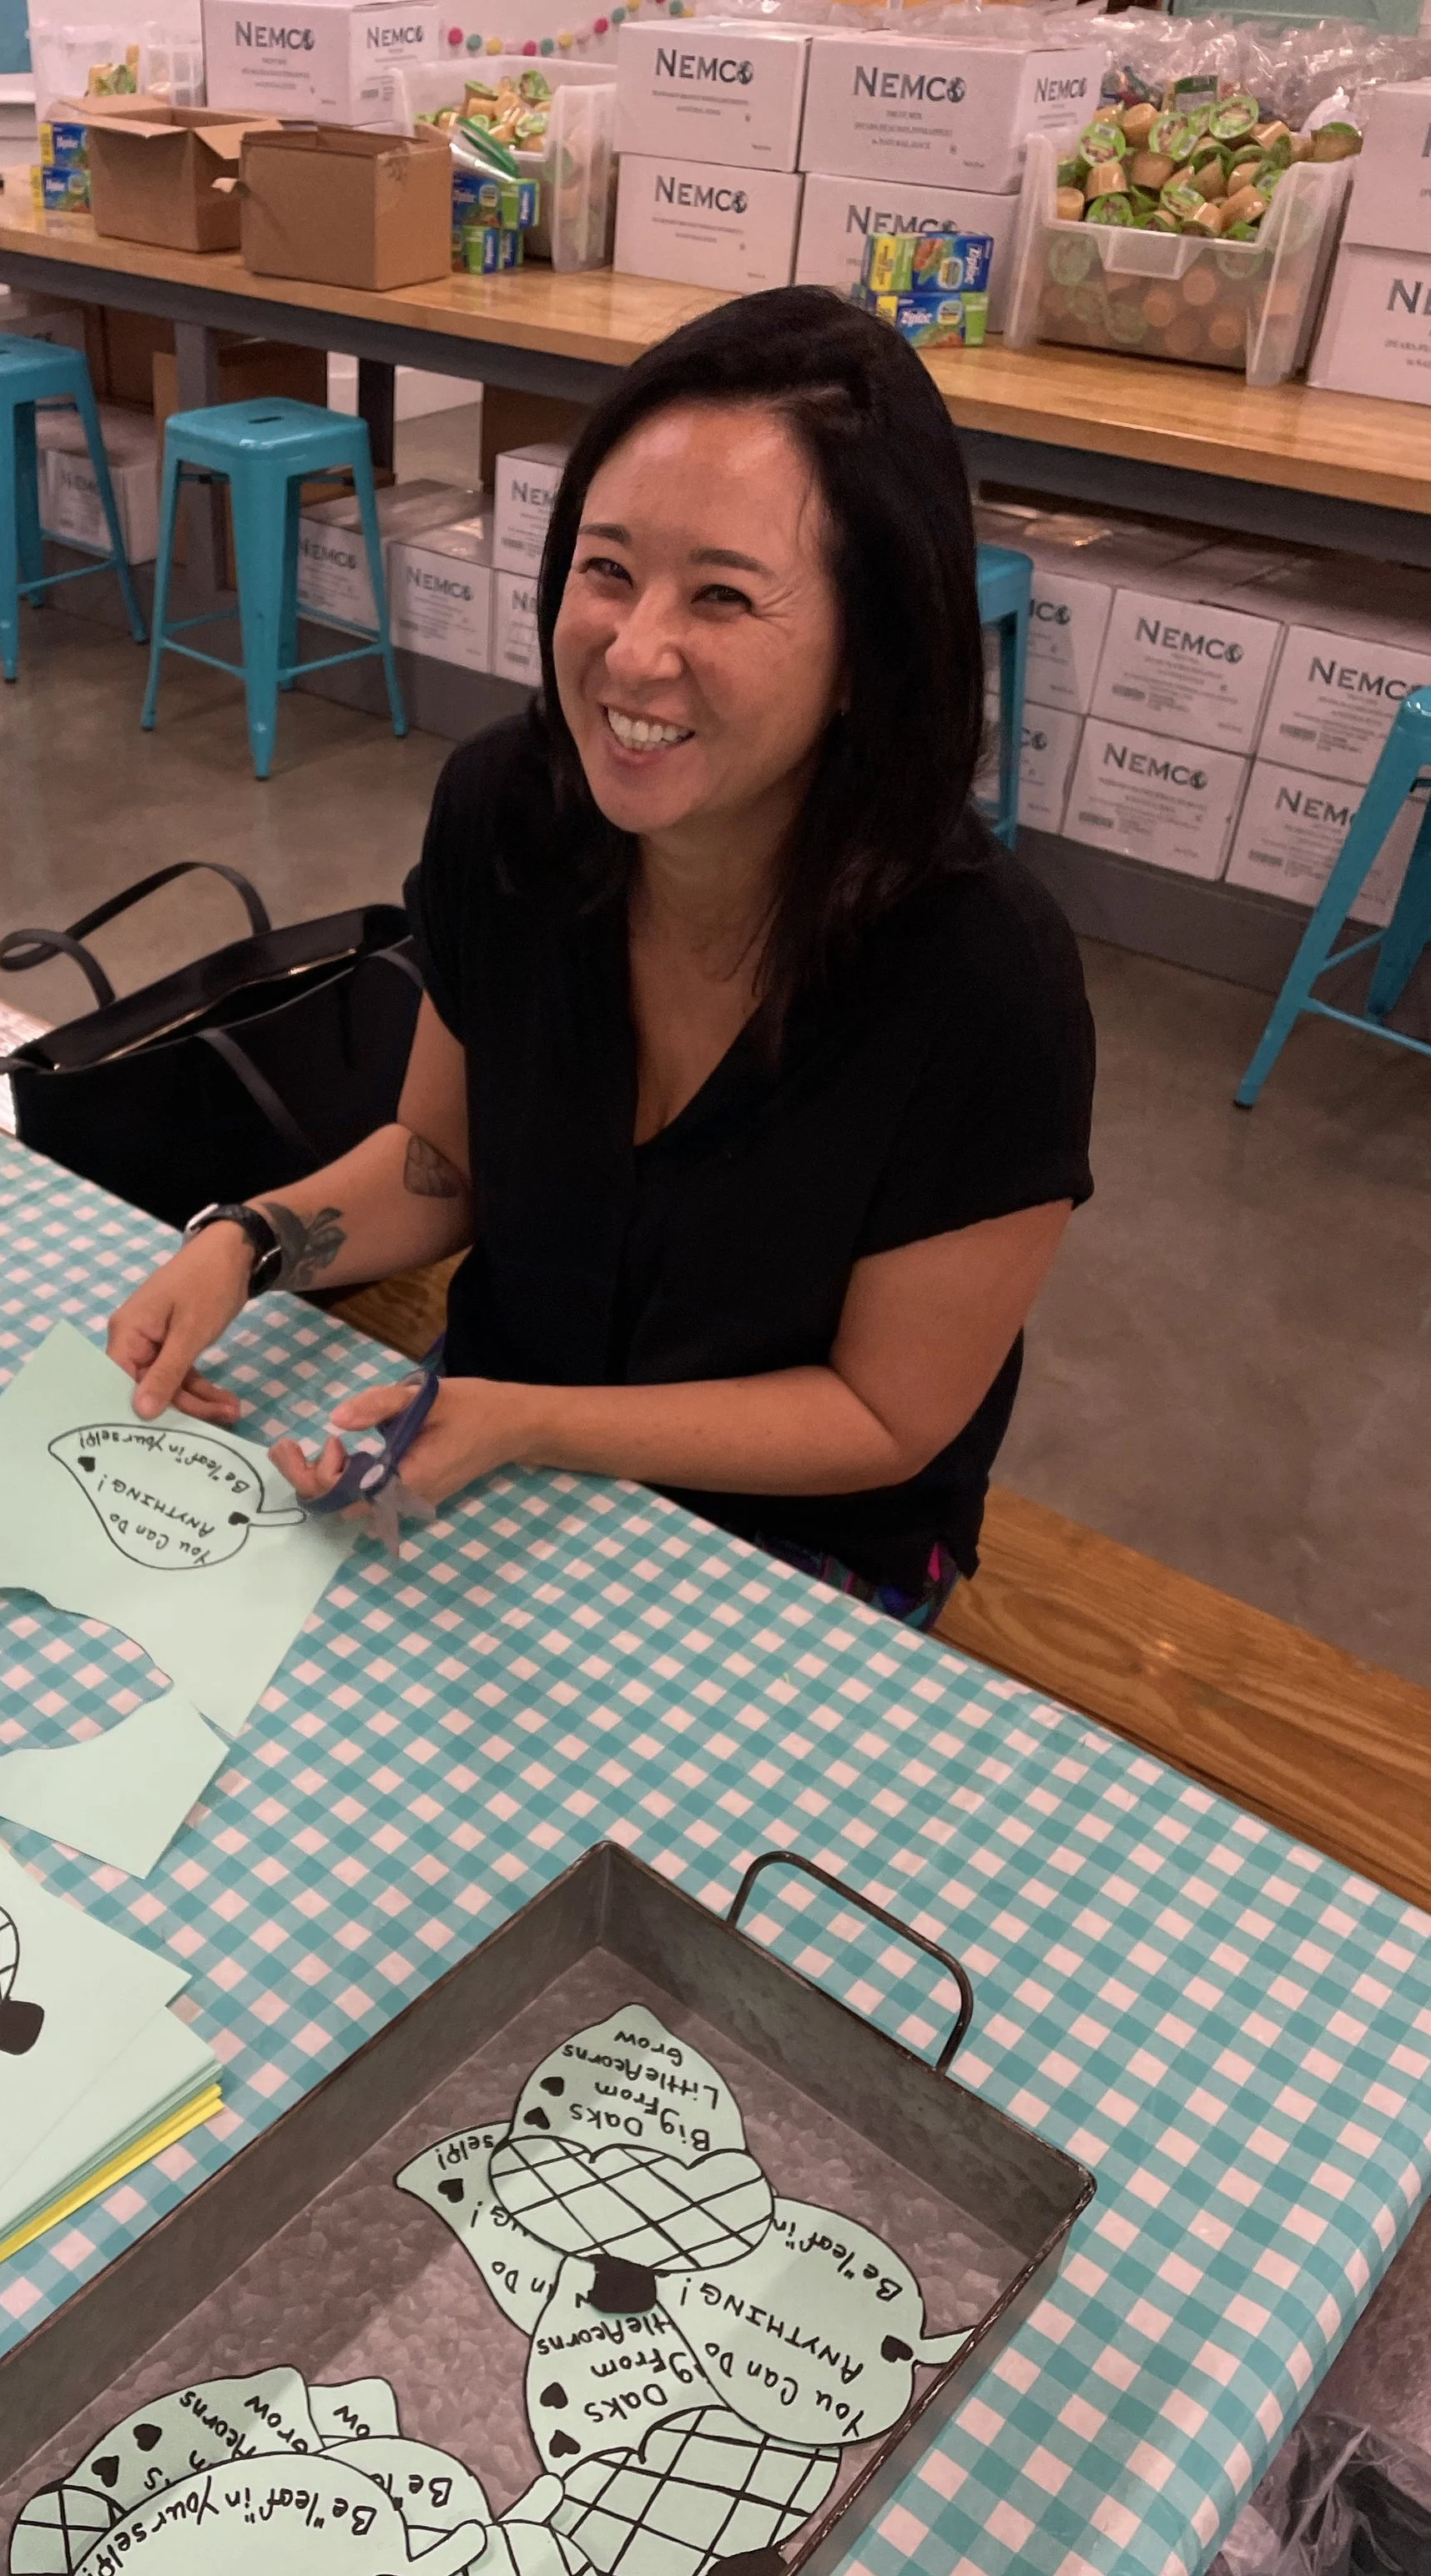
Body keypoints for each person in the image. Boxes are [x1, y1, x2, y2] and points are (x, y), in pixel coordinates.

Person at [103, 289, 1094, 1630]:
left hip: (794, 1542)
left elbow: (884, 1415)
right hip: (500, 1426)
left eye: (726, 596)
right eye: (607, 567)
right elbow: (438, 1165)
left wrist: (532, 1426)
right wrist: (246, 1241)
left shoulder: (985, 978)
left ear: (870, 650)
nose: (633, 653)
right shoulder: (510, 810)